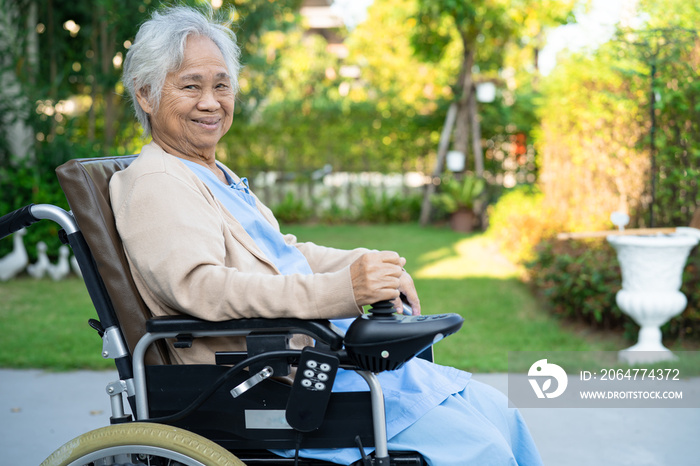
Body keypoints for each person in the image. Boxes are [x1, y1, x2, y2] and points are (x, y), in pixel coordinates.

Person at [110, 5, 543, 465]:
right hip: (262, 384)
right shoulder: (158, 180)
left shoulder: (209, 172)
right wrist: (343, 290)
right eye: (190, 86)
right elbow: (200, 288)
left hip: (312, 360)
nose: (211, 101)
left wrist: (368, 264)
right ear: (147, 95)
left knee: (498, 412)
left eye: (221, 85)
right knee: (479, 447)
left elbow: (282, 252)